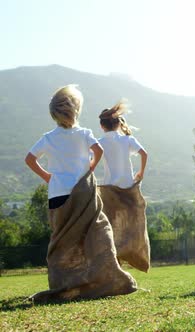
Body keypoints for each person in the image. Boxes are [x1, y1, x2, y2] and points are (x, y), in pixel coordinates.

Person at [24, 85, 137, 301]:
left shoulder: (48, 138)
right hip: (83, 192)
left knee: (62, 240)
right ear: (76, 110)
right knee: (97, 232)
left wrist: (49, 177)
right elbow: (98, 151)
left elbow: (30, 159)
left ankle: (63, 284)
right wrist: (89, 169)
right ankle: (106, 278)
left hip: (58, 194)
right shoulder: (84, 133)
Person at [97, 100, 150, 272]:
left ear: (101, 125)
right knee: (132, 225)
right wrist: (140, 173)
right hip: (128, 189)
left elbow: (90, 158)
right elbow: (144, 153)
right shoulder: (127, 140)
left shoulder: (100, 143)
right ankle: (135, 256)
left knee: (110, 229)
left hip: (109, 192)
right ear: (118, 123)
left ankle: (116, 262)